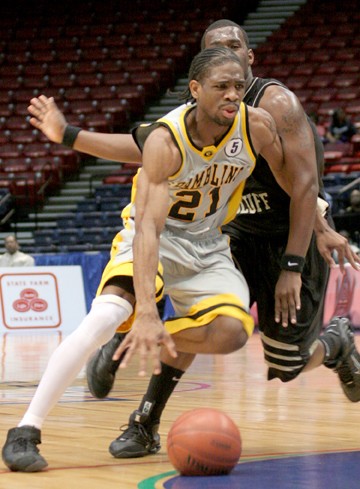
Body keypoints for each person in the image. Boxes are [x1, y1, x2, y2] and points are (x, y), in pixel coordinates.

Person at [14, 20, 360, 461]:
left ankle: (334, 343)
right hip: (213, 234)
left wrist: (314, 239)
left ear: (249, 58)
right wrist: (68, 135)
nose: (229, 70)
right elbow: (140, 153)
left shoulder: (268, 112)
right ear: (197, 83)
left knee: (277, 360)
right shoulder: (183, 122)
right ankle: (136, 421)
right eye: (219, 60)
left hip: (268, 239)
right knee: (149, 319)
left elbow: (301, 183)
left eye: (235, 51)